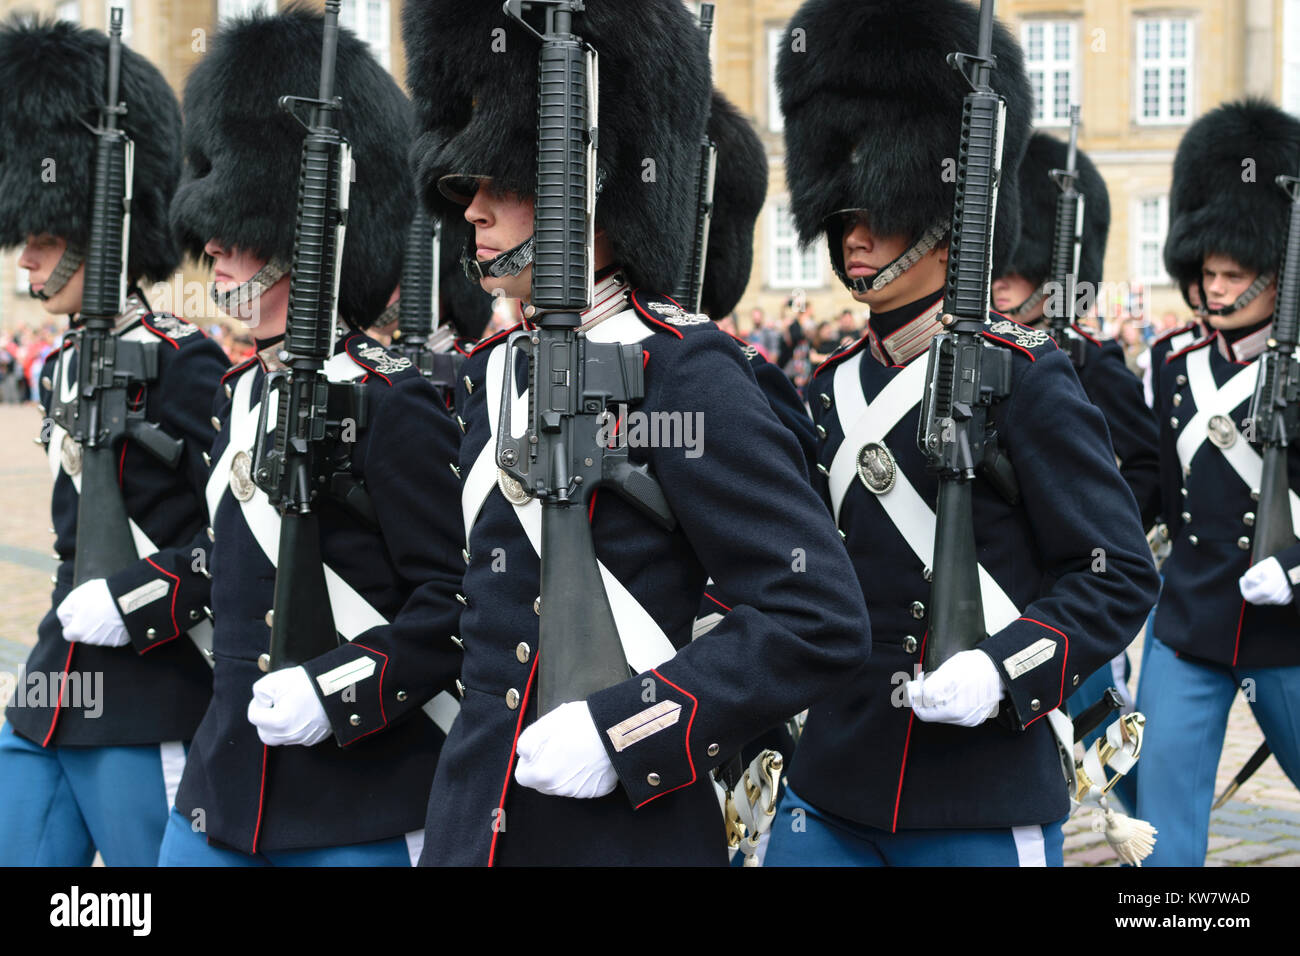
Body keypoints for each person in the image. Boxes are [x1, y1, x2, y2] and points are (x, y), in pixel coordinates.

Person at [404, 0, 871, 866]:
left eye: (501, 185)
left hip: (627, 827)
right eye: (468, 186)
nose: (472, 211)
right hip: (476, 820)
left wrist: (633, 730)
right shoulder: (488, 374)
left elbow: (817, 615)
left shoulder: (684, 371)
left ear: (588, 187)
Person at [764, 0, 1158, 866]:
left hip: (978, 790)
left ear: (945, 216)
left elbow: (1115, 574)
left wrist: (1004, 670)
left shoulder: (1028, 374)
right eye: (842, 212)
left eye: (883, 211)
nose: (855, 234)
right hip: (828, 783)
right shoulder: (834, 386)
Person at [156, 6, 463, 866]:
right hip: (223, 791)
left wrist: (342, 691)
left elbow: (455, 603)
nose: (211, 248)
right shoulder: (237, 390)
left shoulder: (390, 401)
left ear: (290, 240)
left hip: (352, 802)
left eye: (236, 234)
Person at [0, 17, 227, 866]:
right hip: (52, 683)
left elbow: (234, 543)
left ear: (96, 237)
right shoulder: (67, 360)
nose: (26, 262)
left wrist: (137, 600)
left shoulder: (188, 363)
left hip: (147, 693)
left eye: (45, 241)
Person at [1139, 98, 1300, 866]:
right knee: (1159, 824)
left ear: (1276, 274)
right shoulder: (1173, 368)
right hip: (1192, 623)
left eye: (1233, 274)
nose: (1214, 289)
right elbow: (1153, 490)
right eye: (1205, 272)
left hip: (1291, 631)